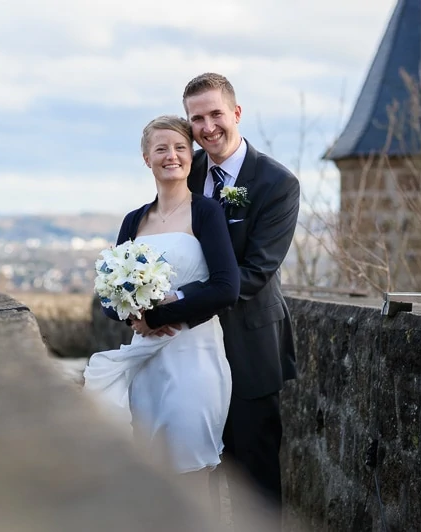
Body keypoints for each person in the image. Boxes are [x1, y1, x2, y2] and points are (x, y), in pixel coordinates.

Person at [83, 115, 239, 508]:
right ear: (146, 158)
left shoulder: (207, 213)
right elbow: (106, 294)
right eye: (161, 149)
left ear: (192, 155)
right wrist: (132, 314)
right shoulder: (134, 220)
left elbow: (226, 287)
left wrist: (160, 316)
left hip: (194, 356)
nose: (172, 156)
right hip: (147, 362)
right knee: (151, 470)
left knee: (191, 466)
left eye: (181, 148)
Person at [175, 72, 300, 528]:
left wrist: (176, 304)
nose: (207, 127)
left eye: (215, 114)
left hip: (249, 348)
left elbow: (255, 273)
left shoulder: (277, 184)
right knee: (194, 471)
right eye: (196, 119)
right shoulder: (188, 175)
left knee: (255, 481)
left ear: (237, 113)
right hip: (190, 352)